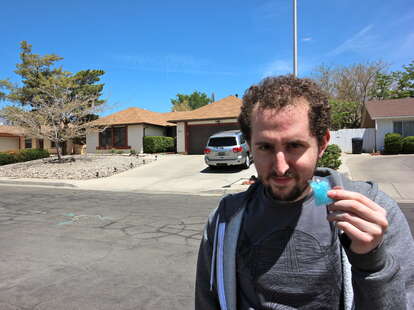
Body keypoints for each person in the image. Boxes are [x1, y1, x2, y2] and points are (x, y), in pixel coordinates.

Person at [195, 75, 414, 310]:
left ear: (322, 143)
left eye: (295, 146)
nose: (280, 167)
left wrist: (372, 261)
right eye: (266, 147)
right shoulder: (226, 219)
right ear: (250, 145)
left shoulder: (372, 213)